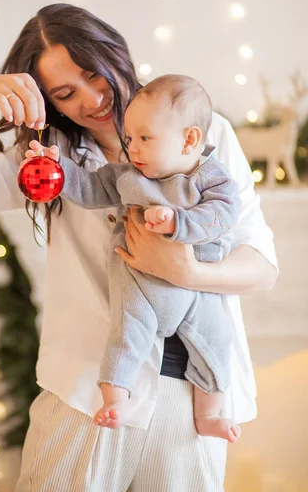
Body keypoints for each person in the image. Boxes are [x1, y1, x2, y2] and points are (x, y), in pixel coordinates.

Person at [0, 3, 278, 492]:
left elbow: (260, 265)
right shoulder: (47, 160)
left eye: (93, 75)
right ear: (51, 103)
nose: (91, 99)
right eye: (66, 93)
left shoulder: (206, 137)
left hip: (191, 401)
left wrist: (186, 271)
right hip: (86, 393)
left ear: (115, 54)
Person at [37, 73, 241, 442]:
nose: (133, 149)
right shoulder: (127, 176)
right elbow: (89, 187)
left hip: (198, 290)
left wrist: (179, 222)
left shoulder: (212, 178)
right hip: (139, 281)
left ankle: (210, 413)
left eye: (145, 138)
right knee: (125, 336)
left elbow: (223, 215)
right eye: (130, 139)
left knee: (216, 340)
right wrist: (59, 170)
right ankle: (115, 400)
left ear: (189, 139)